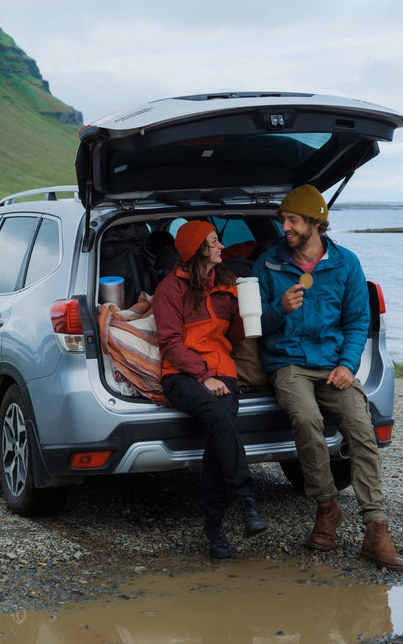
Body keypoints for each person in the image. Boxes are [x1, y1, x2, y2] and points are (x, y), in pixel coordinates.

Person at [253, 185, 403, 570]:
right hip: (287, 362)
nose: (284, 226)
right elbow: (252, 324)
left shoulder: (346, 263)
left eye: (292, 220)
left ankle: (377, 529)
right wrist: (278, 308)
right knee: (307, 419)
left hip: (333, 364)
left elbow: (358, 322)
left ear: (316, 223)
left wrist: (346, 365)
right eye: (283, 220)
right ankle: (327, 507)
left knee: (360, 425)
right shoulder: (268, 263)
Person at [152, 220, 267, 559]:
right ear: (198, 249)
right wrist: (203, 375)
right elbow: (170, 343)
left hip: (224, 373)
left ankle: (216, 528)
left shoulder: (226, 284)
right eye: (215, 242)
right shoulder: (169, 290)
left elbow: (231, 339)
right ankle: (246, 502)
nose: (221, 247)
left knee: (220, 427)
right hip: (181, 375)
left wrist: (246, 315)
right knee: (219, 419)